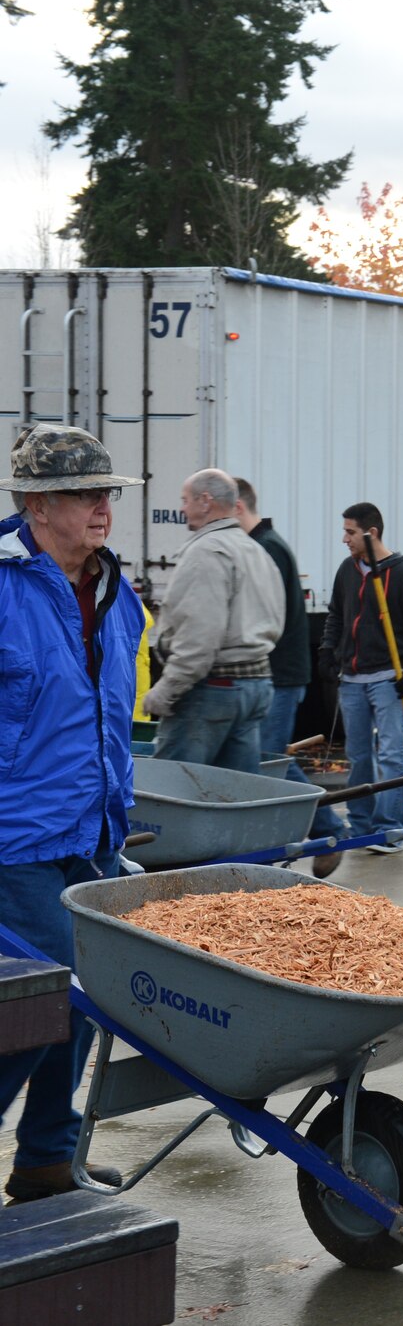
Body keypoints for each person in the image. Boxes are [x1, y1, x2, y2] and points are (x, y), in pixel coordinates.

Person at [0, 424, 142, 1202]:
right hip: (12, 839)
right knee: (43, 997)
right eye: (83, 494)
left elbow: (113, 714)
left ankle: (48, 1158)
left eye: (106, 493)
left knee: (81, 996)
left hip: (89, 831)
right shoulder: (3, 584)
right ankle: (46, 1150)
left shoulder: (118, 593)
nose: (100, 506)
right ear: (34, 504)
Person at [236, 478, 345, 876]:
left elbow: (268, 617)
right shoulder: (264, 545)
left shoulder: (267, 549)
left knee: (272, 759)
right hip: (274, 673)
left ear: (236, 508)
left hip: (280, 674)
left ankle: (329, 824)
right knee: (267, 757)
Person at [142, 468, 284, 774]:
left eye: (185, 500)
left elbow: (198, 639)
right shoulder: (255, 550)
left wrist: (165, 691)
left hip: (213, 690)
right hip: (255, 685)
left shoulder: (207, 552)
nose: (182, 508)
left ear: (205, 501)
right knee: (234, 796)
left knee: (174, 789)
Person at [318, 501, 403, 853]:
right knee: (360, 755)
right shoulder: (347, 571)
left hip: (387, 678)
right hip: (352, 679)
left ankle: (390, 828)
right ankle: (361, 826)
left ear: (371, 532)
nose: (344, 539)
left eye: (350, 532)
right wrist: (328, 651)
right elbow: (336, 614)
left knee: (393, 754)